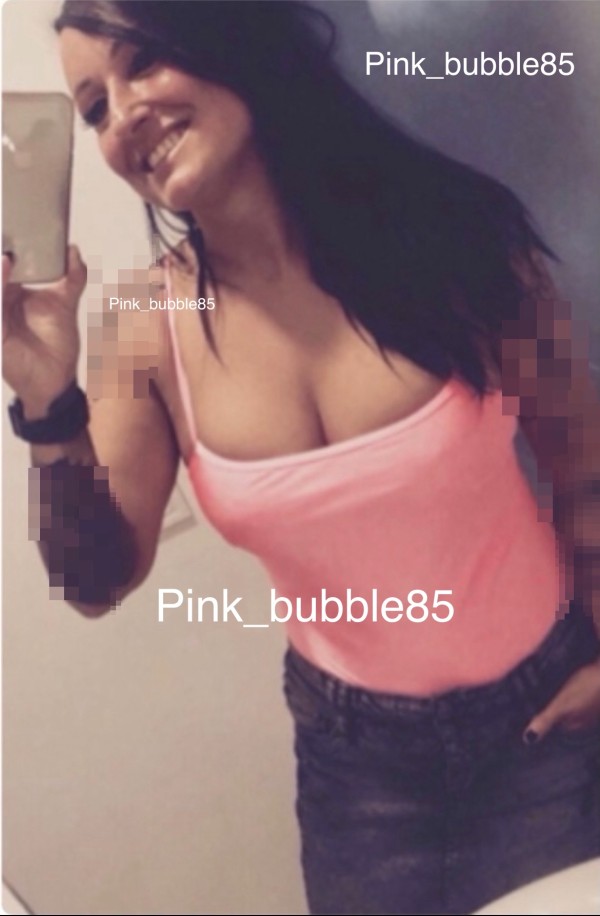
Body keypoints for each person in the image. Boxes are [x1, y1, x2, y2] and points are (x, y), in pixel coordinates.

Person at [3, 2, 600, 913]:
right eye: (92, 107)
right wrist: (47, 403)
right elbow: (93, 582)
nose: (121, 117)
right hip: (358, 772)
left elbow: (585, 462)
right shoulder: (142, 325)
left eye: (143, 62)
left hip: (545, 722)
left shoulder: (451, 231)